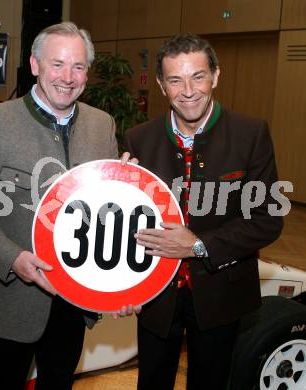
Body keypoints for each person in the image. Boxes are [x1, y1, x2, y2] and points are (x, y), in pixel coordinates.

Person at [0, 22, 119, 390]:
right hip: (11, 301)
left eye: (78, 67)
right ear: (35, 65)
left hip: (74, 302)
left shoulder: (102, 125)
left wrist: (125, 183)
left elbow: (106, 206)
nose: (68, 78)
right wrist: (12, 258)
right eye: (57, 64)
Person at [124, 34, 283, 390]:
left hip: (221, 294)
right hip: (156, 296)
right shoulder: (139, 139)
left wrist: (198, 245)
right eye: (175, 80)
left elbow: (268, 221)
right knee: (151, 381)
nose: (188, 90)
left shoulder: (250, 134)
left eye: (198, 76)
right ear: (162, 86)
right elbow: (127, 223)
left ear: (215, 76)